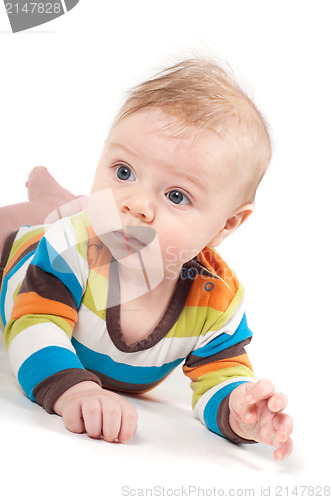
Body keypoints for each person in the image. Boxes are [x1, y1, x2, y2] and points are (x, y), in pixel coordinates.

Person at [0, 58, 293, 460]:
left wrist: (242, 412)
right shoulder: (72, 247)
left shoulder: (214, 299)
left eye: (176, 195)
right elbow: (33, 325)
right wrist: (76, 390)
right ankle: (48, 197)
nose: (136, 205)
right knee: (30, 223)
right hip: (22, 256)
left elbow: (218, 379)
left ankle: (56, 197)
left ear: (227, 224)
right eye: (122, 171)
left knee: (78, 208)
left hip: (92, 225)